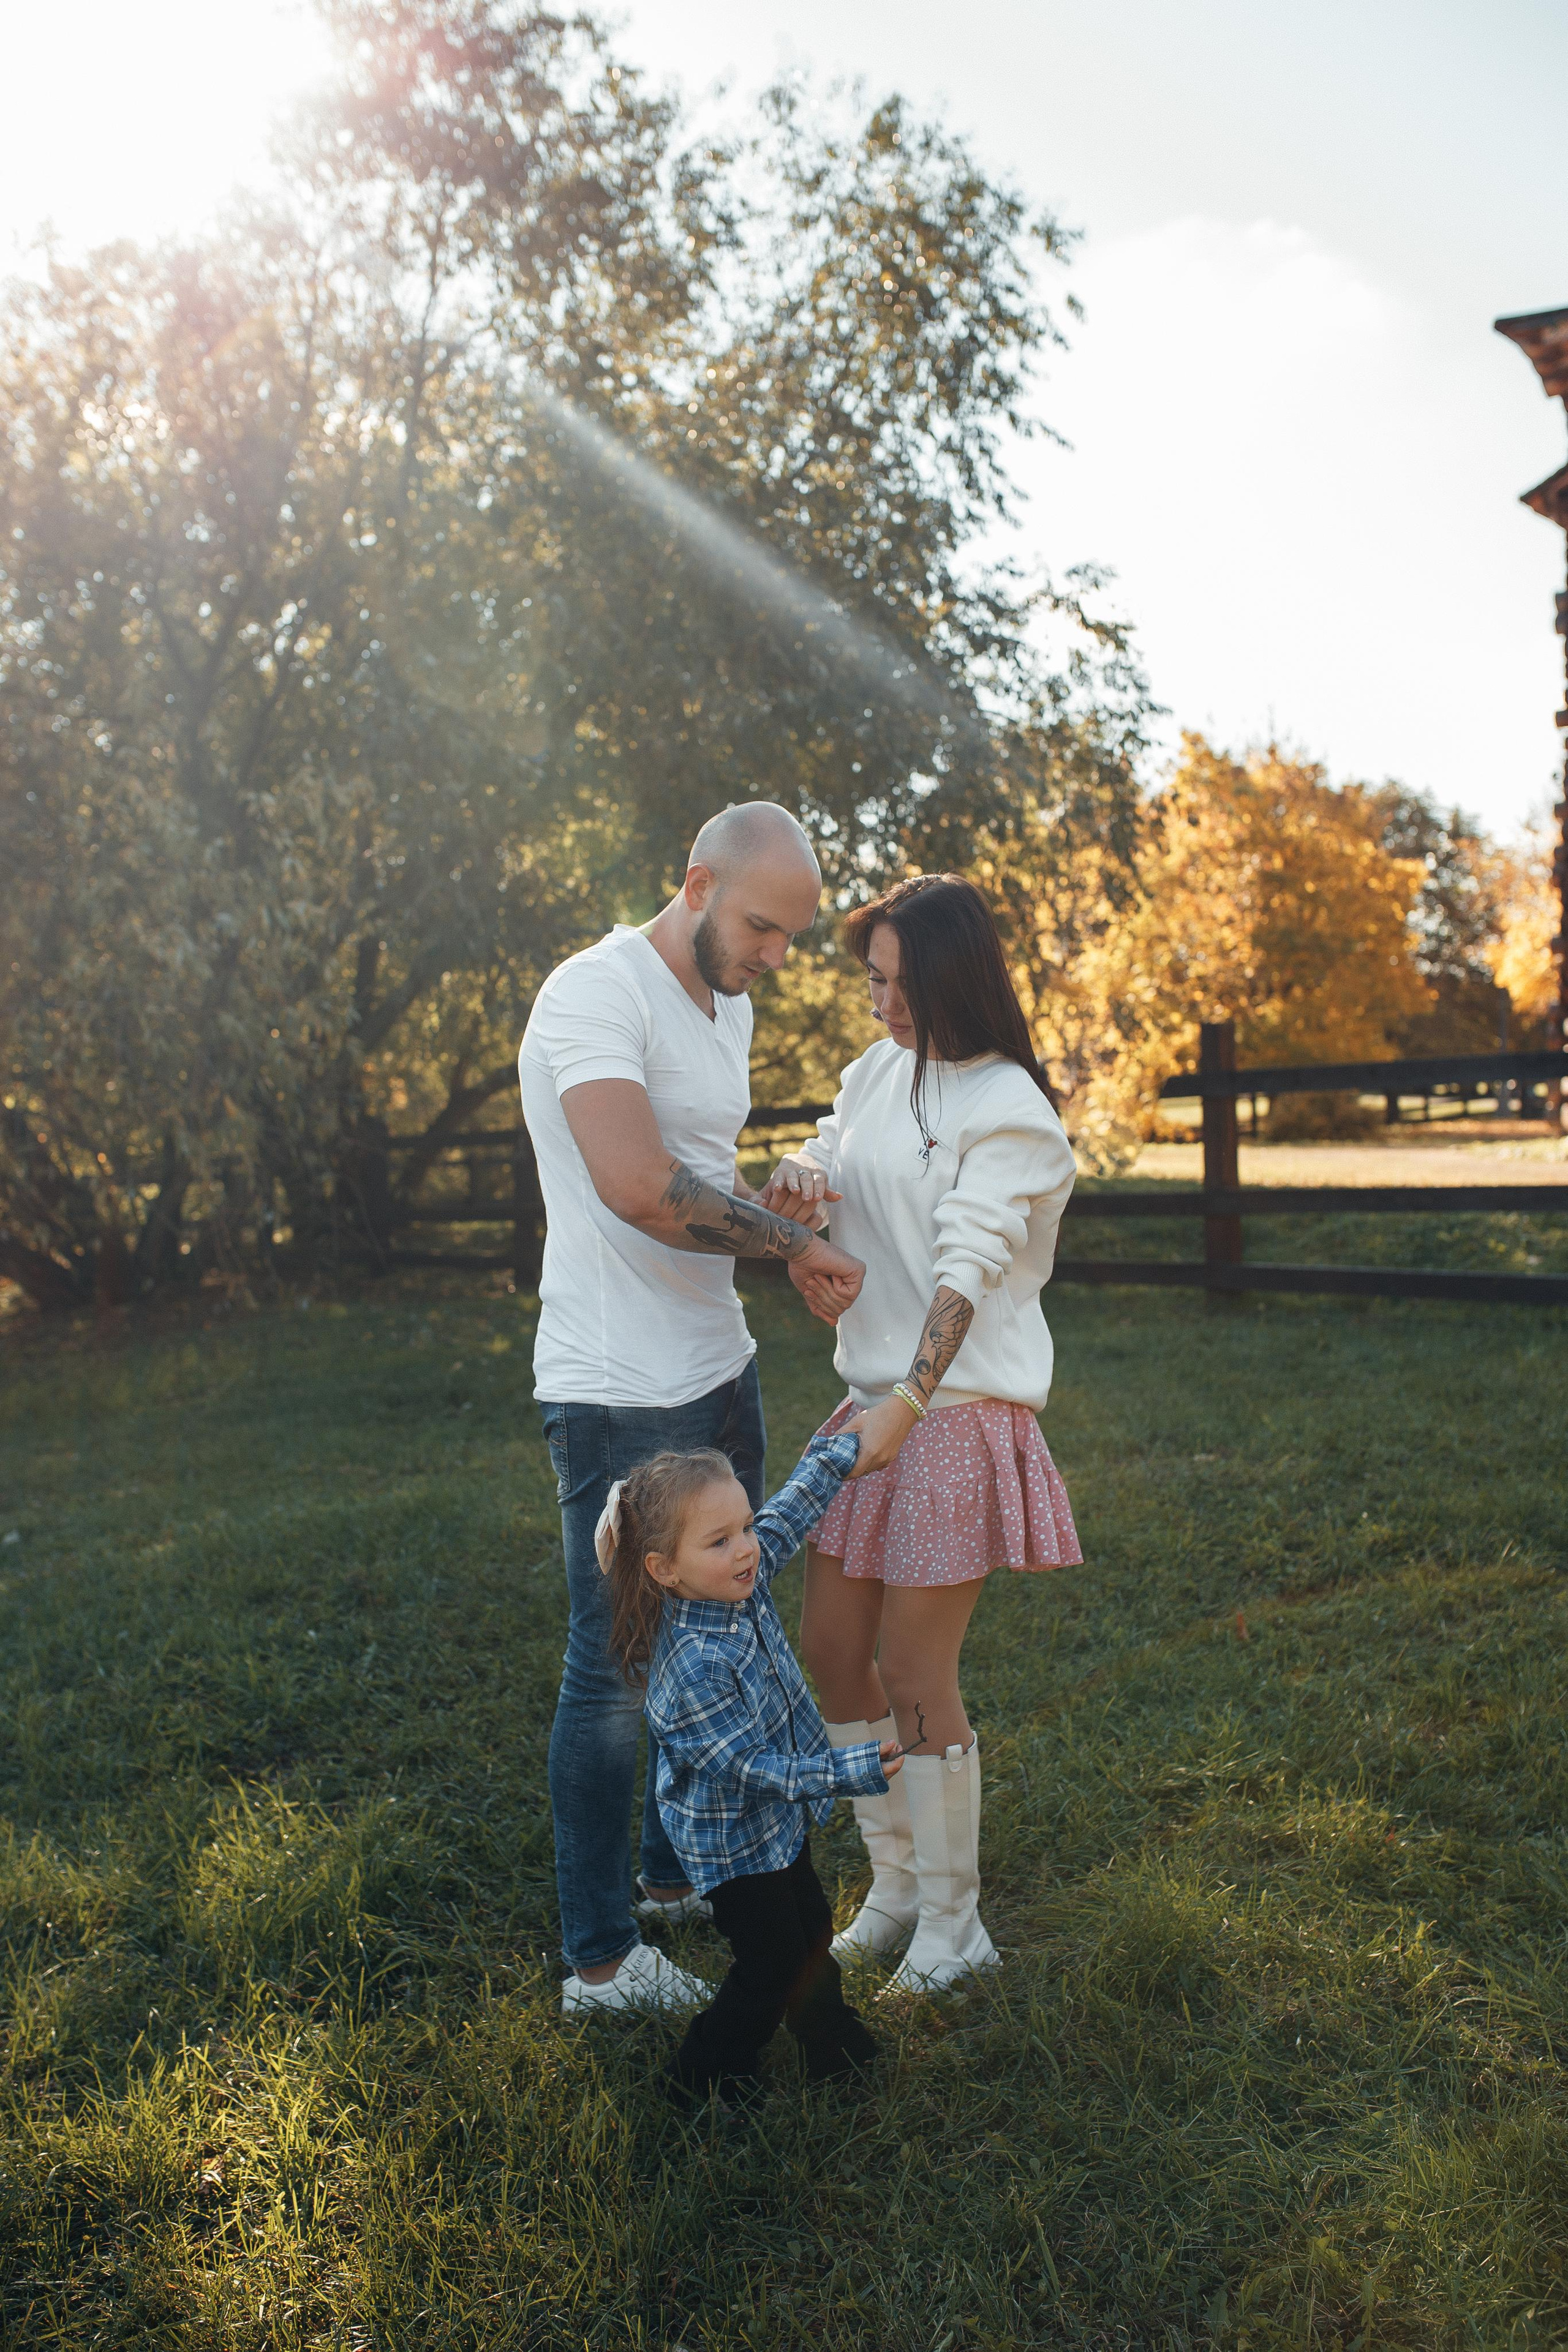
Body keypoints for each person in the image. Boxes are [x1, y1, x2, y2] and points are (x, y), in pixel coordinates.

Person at [519, 802, 865, 2015]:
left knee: (716, 1630)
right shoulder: (595, 992)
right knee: (614, 1670)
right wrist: (790, 1245)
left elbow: (701, 1180)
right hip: (617, 1391)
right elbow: (632, 1182)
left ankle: (674, 1877)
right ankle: (602, 1962)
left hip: (718, 1370)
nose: (775, 954)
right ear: (698, 882)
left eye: (791, 937)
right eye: (763, 927)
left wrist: (780, 1197)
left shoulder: (729, 1006)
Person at [760, 872, 1081, 1992]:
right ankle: (894, 1887)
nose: (885, 1005)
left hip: (952, 1411)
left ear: (957, 979)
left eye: (903, 985)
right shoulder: (875, 1071)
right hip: (870, 1403)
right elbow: (837, 1149)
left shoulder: (1010, 1108)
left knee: (911, 1668)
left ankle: (955, 1923)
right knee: (831, 1651)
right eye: (874, 980)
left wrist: (908, 1400)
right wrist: (803, 1179)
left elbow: (968, 1265)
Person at [597, 1428, 899, 2104]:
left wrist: (838, 1453)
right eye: (720, 1540)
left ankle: (829, 2040)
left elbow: (788, 1511)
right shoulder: (695, 1667)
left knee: (811, 1927)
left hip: (775, 1825)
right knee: (770, 1964)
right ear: (663, 1569)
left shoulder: (736, 1583)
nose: (746, 1548)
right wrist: (844, 1770)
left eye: (743, 1528)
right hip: (732, 1843)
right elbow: (747, 1768)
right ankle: (703, 2078)